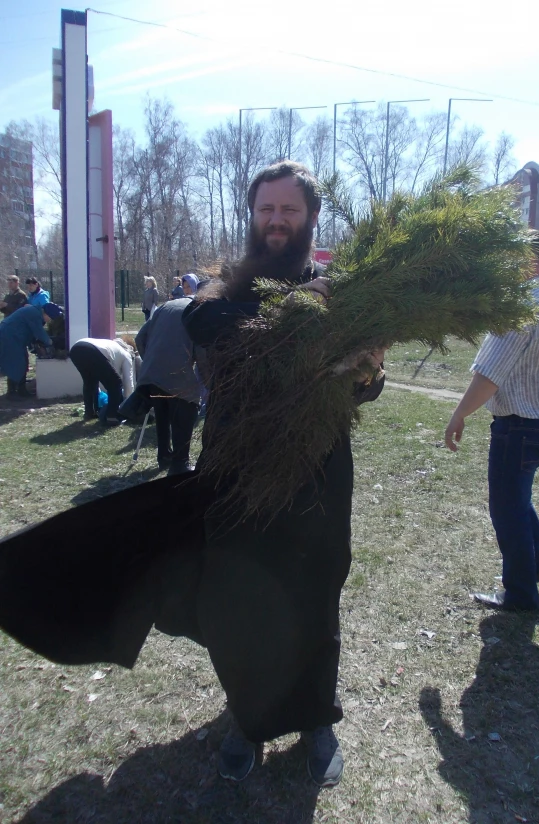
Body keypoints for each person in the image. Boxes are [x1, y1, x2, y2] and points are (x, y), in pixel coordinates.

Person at [0, 162, 384, 790]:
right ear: (253, 216)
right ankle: (248, 719)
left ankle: (318, 720)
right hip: (237, 475)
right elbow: (210, 327)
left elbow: (361, 390)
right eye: (267, 209)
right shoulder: (223, 293)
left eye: (289, 209)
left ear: (310, 216)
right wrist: (303, 313)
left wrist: (365, 369)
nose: (277, 220)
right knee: (240, 600)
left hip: (317, 475)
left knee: (316, 595)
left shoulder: (343, 296)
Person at [444, 234, 539, 611]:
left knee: (507, 507)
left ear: (526, 260)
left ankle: (521, 593)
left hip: (520, 425)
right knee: (517, 498)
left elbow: (489, 374)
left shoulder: (520, 307)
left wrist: (459, 413)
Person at [135, 297, 200, 475]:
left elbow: (140, 338)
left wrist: (151, 361)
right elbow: (202, 347)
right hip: (177, 371)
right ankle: (180, 464)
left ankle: (164, 456)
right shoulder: (199, 308)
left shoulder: (166, 306)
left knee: (162, 413)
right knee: (186, 411)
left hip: (152, 372)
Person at [69, 337, 136, 424]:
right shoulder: (126, 355)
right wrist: (128, 405)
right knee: (116, 383)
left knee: (90, 381)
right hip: (91, 350)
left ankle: (89, 413)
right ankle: (112, 416)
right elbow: (128, 382)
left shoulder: (113, 347)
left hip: (76, 348)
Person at [0, 303, 61, 398]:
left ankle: (21, 389)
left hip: (13, 337)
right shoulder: (35, 314)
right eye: (50, 318)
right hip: (9, 337)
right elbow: (39, 333)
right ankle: (12, 392)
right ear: (46, 314)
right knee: (16, 363)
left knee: (22, 361)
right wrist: (51, 342)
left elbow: (30, 333)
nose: (49, 320)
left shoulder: (34, 312)